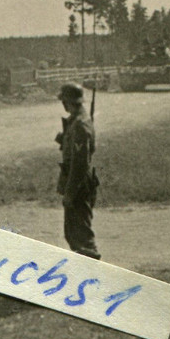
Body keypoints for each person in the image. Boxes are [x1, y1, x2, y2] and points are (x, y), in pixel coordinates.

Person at [56, 82, 100, 259]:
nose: (63, 104)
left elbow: (80, 163)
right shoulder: (77, 119)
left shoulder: (80, 124)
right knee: (73, 233)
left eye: (64, 101)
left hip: (79, 183)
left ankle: (92, 273)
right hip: (78, 180)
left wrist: (70, 192)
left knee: (82, 237)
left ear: (68, 101)